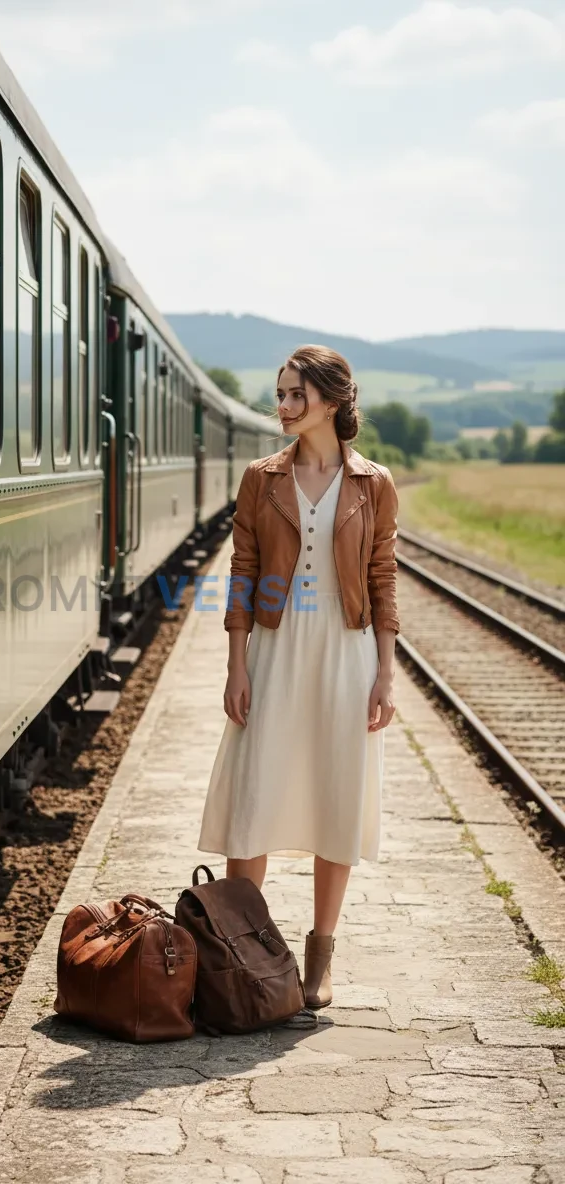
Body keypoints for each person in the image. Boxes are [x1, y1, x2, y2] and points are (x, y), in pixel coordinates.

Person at [197, 344, 400, 1011]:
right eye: (279, 394)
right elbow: (244, 571)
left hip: (347, 655)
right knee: (254, 801)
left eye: (294, 395)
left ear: (332, 400)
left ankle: (320, 959)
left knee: (336, 798)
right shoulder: (262, 477)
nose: (282, 407)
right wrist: (236, 664)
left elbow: (381, 581)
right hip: (277, 650)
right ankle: (242, 953)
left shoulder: (374, 483)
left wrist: (386, 675)